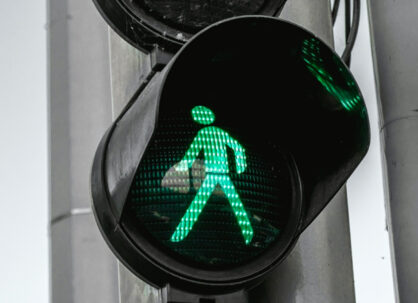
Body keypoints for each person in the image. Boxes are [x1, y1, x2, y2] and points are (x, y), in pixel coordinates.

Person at [170, 106, 254, 245]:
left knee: (198, 204)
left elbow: (192, 152)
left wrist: (183, 166)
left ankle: (180, 233)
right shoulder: (221, 132)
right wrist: (240, 166)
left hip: (213, 175)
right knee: (235, 204)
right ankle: (248, 233)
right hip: (222, 174)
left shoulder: (204, 133)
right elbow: (238, 148)